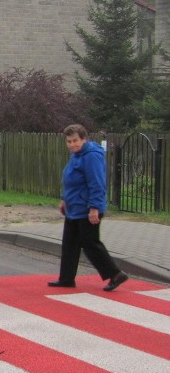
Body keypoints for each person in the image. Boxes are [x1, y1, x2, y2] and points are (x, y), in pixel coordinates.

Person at [49, 124, 128, 292]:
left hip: (87, 209)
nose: (71, 144)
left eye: (75, 141)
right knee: (69, 244)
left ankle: (115, 274)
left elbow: (97, 183)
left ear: (84, 139)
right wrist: (64, 199)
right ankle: (66, 278)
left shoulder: (92, 156)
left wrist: (94, 208)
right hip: (74, 208)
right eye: (68, 141)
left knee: (90, 243)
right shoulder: (76, 156)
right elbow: (69, 180)